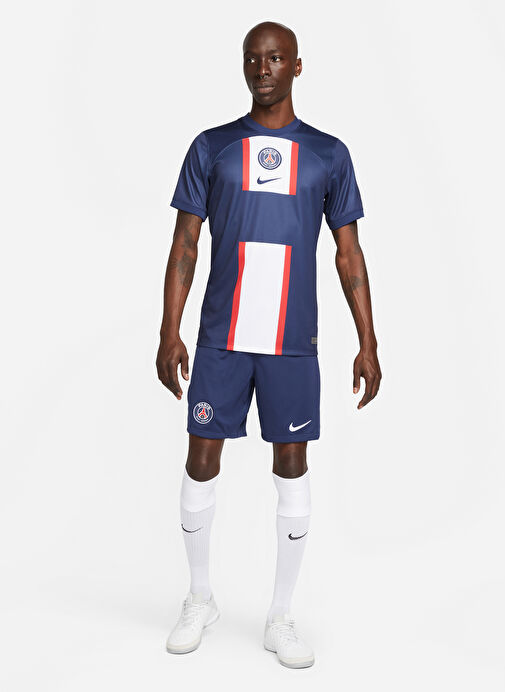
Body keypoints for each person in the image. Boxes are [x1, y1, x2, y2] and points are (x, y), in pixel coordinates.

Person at [156, 20, 381, 668]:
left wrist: (367, 341)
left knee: (292, 468)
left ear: (297, 67)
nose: (264, 68)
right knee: (201, 461)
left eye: (276, 57)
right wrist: (169, 329)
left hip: (291, 342)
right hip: (221, 338)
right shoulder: (212, 147)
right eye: (254, 58)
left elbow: (347, 253)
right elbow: (185, 243)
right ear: (243, 65)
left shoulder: (328, 154)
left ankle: (280, 616)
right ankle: (200, 598)